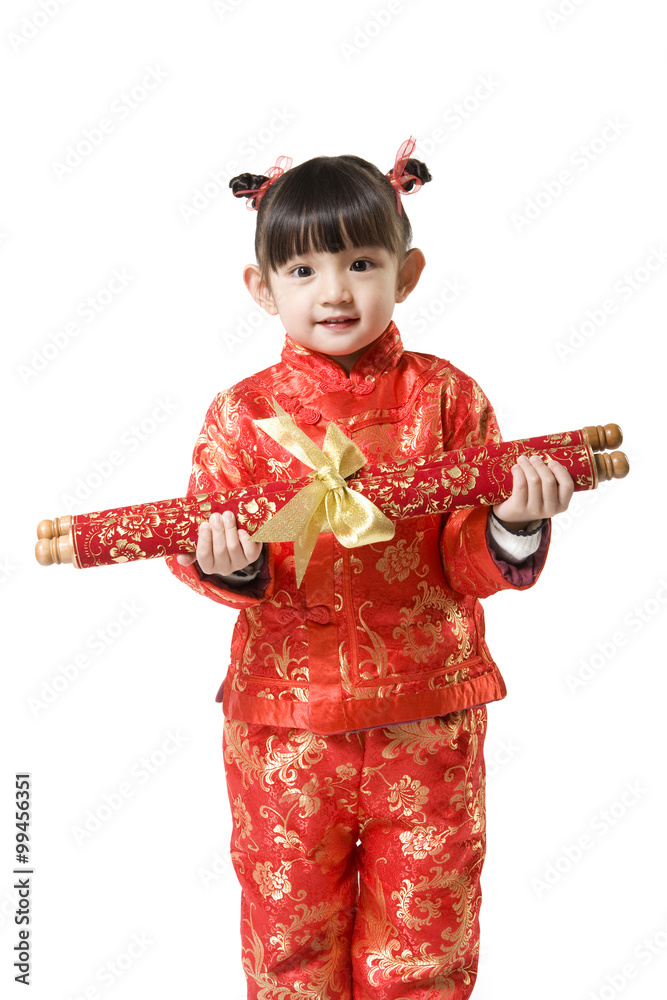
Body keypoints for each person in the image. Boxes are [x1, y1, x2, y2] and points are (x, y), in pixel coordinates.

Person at [165, 138, 574, 1000]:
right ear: (261, 287)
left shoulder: (447, 399)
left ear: (408, 270)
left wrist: (510, 521)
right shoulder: (241, 416)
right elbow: (194, 543)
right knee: (288, 944)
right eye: (304, 270)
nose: (336, 291)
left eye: (359, 261)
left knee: (426, 940)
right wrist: (227, 565)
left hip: (427, 718)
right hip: (286, 728)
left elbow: (462, 561)